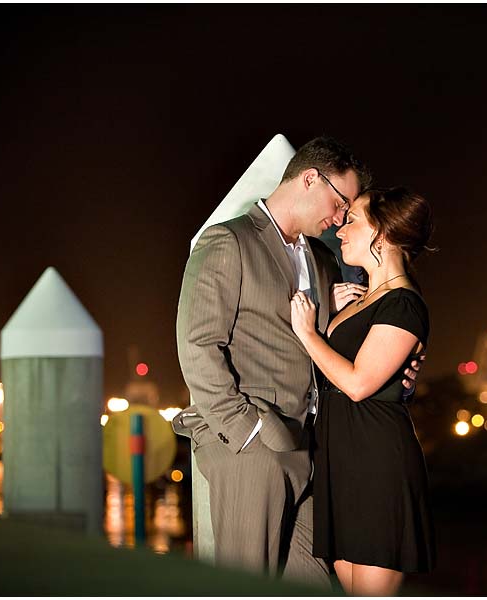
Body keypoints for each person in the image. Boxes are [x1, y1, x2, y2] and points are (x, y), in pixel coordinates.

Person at [173, 137, 421, 588]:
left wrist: (397, 372)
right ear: (310, 178)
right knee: (249, 588)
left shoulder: (324, 259)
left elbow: (348, 353)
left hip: (316, 450)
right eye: (340, 201)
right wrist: (244, 431)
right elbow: (197, 344)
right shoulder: (230, 241)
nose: (341, 217)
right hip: (254, 447)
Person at [290, 186, 436, 596]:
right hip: (341, 461)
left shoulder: (404, 304)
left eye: (352, 219)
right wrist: (332, 317)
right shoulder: (358, 300)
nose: (340, 230)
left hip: (377, 465)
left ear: (384, 234)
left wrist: (307, 332)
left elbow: (357, 384)